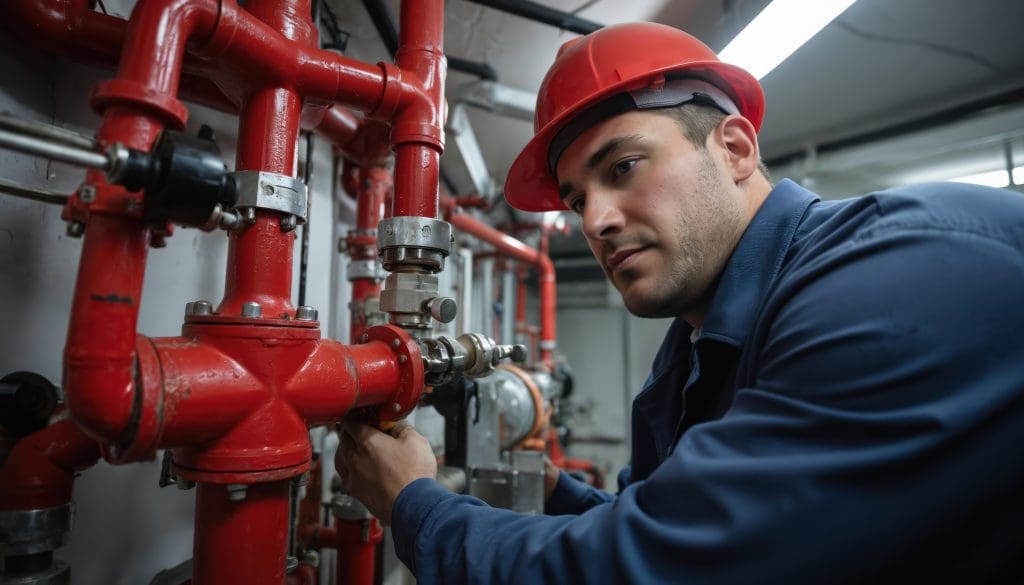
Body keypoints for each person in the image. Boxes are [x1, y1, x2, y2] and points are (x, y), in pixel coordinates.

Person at [336, 22, 1024, 584]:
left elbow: (653, 568)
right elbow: (667, 521)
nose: (597, 220)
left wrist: (413, 505)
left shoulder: (885, 281)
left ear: (734, 148)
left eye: (623, 167)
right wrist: (552, 490)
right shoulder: (691, 357)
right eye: (577, 200)